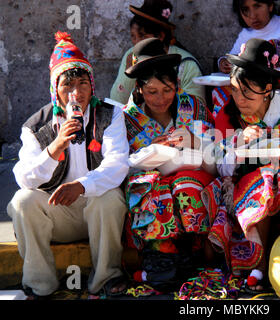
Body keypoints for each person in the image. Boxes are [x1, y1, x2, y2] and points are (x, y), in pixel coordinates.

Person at [7, 32, 130, 299]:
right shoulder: (35, 126)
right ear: (55, 90)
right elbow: (23, 178)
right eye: (67, 86)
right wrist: (55, 147)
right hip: (57, 216)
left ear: (92, 85)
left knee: (110, 198)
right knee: (21, 201)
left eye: (83, 84)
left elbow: (118, 164)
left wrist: (82, 186)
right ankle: (40, 284)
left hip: (97, 213)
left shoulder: (111, 113)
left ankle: (105, 278)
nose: (76, 93)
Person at [202, 38, 280, 293]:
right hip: (244, 182)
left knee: (276, 179)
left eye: (247, 92)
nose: (240, 99)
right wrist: (237, 142)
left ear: (267, 89)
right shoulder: (229, 113)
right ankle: (259, 261)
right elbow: (219, 164)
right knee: (264, 181)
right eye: (235, 90)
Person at [121, 38, 216, 288]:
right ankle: (160, 253)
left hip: (192, 179)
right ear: (139, 89)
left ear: (177, 85)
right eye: (152, 91)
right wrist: (151, 152)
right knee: (149, 184)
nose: (161, 99)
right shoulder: (127, 120)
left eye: (168, 90)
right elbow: (120, 166)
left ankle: (192, 248)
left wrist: (196, 141)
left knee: (185, 183)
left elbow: (216, 161)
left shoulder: (194, 107)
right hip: (152, 185)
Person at [110, 0, 205, 105]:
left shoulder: (187, 65)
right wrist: (129, 75)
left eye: (142, 36)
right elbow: (116, 102)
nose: (136, 43)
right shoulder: (131, 56)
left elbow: (197, 108)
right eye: (133, 36)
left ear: (160, 36)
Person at [218, 0, 280, 79]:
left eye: (257, 6)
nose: (253, 16)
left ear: (270, 5)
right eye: (245, 9)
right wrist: (223, 62)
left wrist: (259, 74)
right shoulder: (246, 33)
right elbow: (232, 57)